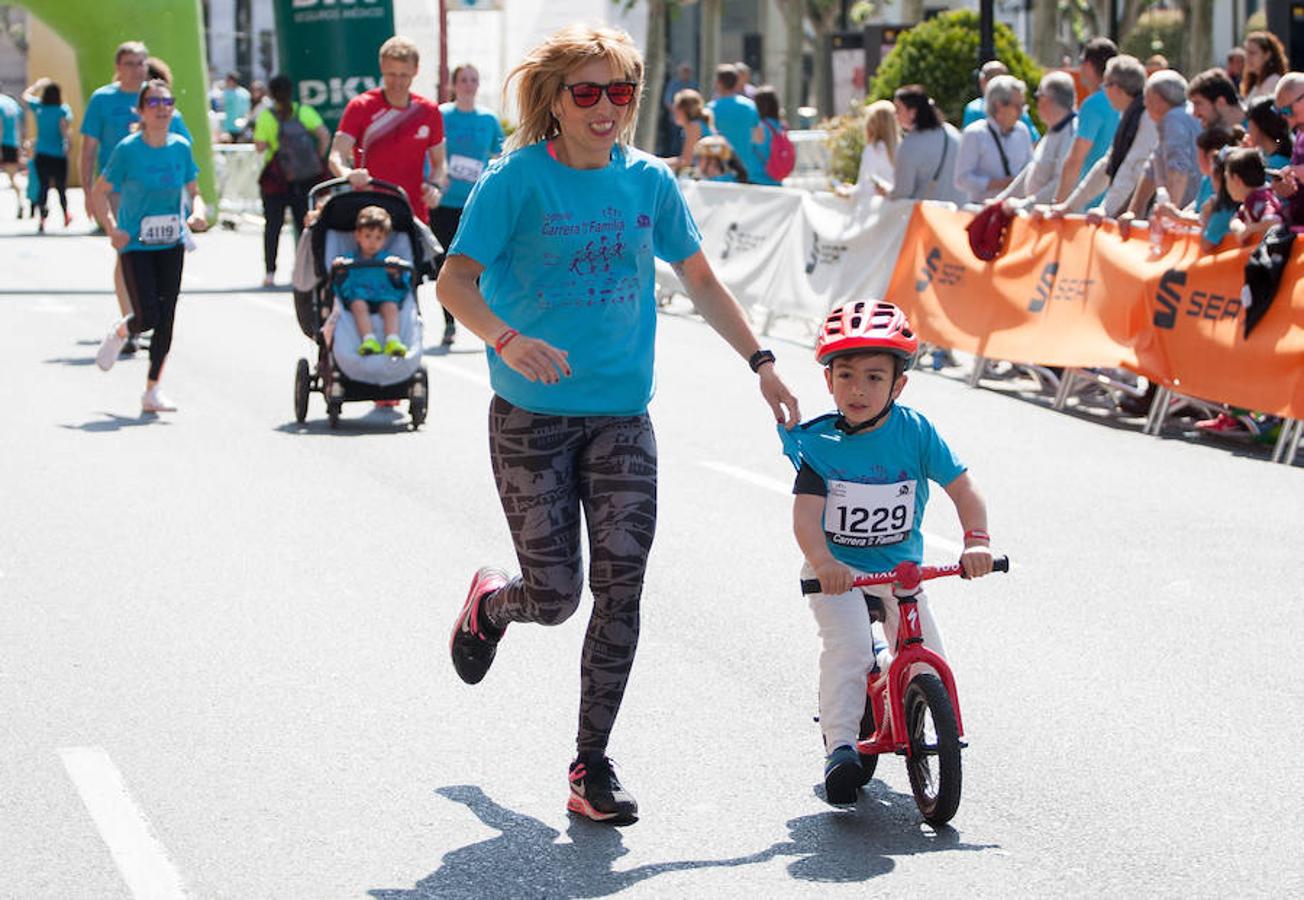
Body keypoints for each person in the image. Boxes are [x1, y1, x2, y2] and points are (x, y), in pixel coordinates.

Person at [437, 23, 800, 825]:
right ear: (556, 101)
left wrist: (763, 361)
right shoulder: (515, 181)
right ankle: (493, 605)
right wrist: (507, 338)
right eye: (587, 92)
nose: (606, 109)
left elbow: (701, 280)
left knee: (622, 589)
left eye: (621, 92)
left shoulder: (648, 182)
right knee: (556, 596)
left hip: (622, 420)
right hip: (531, 419)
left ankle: (589, 764)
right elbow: (454, 281)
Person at [779, 299, 993, 806]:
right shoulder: (821, 443)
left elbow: (964, 489)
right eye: (846, 375)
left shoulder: (915, 433)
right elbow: (806, 516)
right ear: (828, 381)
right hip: (838, 572)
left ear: (899, 385)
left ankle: (921, 715)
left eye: (874, 378)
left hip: (900, 571)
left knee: (928, 659)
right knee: (849, 648)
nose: (858, 389)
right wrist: (825, 562)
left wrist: (976, 542)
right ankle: (843, 747)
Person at [91, 79, 207, 412]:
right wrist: (112, 229)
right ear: (140, 111)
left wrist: (197, 215)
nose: (162, 109)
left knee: (166, 317)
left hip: (170, 240)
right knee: (148, 315)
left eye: (167, 102)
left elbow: (194, 192)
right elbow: (100, 192)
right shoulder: (128, 149)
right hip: (135, 243)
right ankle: (124, 329)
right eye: (153, 103)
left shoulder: (180, 147)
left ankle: (152, 390)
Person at [81, 40, 193, 355]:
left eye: (142, 62)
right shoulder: (103, 99)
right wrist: (90, 192)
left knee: (157, 257)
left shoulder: (159, 99)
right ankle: (131, 320)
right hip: (120, 188)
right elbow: (89, 147)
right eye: (130, 63)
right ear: (118, 67)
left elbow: (183, 146)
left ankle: (146, 314)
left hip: (157, 191)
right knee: (127, 251)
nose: (137, 69)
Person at [330, 36, 446, 227]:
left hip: (412, 213)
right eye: (391, 74)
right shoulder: (360, 106)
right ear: (382, 68)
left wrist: (435, 186)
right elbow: (336, 155)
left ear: (415, 71)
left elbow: (440, 162)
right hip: (369, 215)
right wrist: (348, 174)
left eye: (404, 75)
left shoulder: (429, 111)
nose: (398, 82)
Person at [432, 63, 504, 345]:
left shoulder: (488, 119)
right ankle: (449, 323)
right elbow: (430, 153)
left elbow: (501, 155)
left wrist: (492, 177)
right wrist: (436, 177)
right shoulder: (441, 115)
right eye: (463, 80)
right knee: (447, 265)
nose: (469, 85)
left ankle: (481, 322)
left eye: (473, 79)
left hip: (476, 203)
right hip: (445, 202)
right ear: (453, 85)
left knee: (476, 266)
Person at [1042, 55, 1156, 219]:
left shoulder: (1146, 117)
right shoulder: (1129, 115)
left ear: (1116, 87)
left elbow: (1132, 169)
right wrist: (1068, 206)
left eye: (1106, 85)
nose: (1104, 90)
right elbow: (1106, 166)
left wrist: (1105, 209)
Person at [254, 74, 329, 288]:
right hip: (305, 179)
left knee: (273, 227)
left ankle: (270, 272)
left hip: (276, 181)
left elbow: (260, 146)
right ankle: (307, 269)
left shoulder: (267, 117)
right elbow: (324, 135)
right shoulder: (304, 112)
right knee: (305, 225)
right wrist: (316, 159)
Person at [1119, 70, 1202, 229]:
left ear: (1157, 99)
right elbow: (1151, 168)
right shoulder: (1180, 116)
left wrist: (1169, 219)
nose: (1144, 104)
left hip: (1186, 220)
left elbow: (1178, 169)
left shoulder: (1174, 119)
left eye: (1147, 98)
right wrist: (1134, 212)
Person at [334, 204, 411, 357]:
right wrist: (340, 270)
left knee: (391, 306)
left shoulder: (388, 260)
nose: (372, 242)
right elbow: (340, 285)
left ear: (385, 240)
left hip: (383, 295)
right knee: (358, 305)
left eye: (378, 238)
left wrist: (394, 274)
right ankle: (369, 339)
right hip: (360, 295)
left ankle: (392, 340)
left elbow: (401, 285)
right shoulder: (350, 259)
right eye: (367, 236)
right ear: (358, 236)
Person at [994, 71, 1077, 206]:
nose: (1036, 103)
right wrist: (1000, 200)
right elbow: (1031, 170)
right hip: (1038, 216)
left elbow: (1061, 181)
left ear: (1047, 99)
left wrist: (1027, 204)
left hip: (1053, 219)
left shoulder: (1070, 132)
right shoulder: (1054, 130)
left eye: (1038, 96)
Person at [1054, 37, 1119, 204]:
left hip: (1094, 204)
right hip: (1121, 200)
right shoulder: (1125, 99)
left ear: (1089, 65)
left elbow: (1076, 157)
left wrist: (1059, 203)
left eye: (1081, 61)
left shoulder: (1093, 105)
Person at [955, 74, 1033, 204]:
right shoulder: (975, 133)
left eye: (1022, 106)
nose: (1021, 112)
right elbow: (961, 179)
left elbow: (1030, 169)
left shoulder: (1022, 131)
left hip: (1015, 210)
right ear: (999, 105)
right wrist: (997, 184)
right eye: (1017, 106)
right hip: (982, 209)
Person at [884, 84, 962, 202]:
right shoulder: (952, 132)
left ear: (912, 112)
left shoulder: (910, 144)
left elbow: (902, 192)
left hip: (929, 215)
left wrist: (886, 192)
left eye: (898, 109)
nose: (896, 115)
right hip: (960, 212)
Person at [21, 78, 72, 232]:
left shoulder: (39, 107)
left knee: (43, 187)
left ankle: (42, 218)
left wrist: (37, 85)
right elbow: (64, 129)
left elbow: (25, 96)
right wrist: (68, 145)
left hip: (41, 154)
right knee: (61, 187)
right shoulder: (62, 109)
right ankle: (65, 215)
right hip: (58, 155)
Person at [706, 64, 766, 189]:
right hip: (746, 171)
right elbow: (759, 138)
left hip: (718, 173)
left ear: (718, 83)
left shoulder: (710, 109)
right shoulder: (750, 106)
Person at [961, 60, 1040, 141]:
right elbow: (1033, 142)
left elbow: (967, 141)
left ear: (982, 81)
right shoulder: (1018, 109)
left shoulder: (973, 108)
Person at [837, 99, 899, 200]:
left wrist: (847, 192)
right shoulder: (901, 147)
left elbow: (866, 186)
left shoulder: (873, 150)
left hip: (876, 209)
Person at [1224, 147, 1282, 245]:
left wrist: (1248, 229)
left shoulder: (1259, 200)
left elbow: (1275, 221)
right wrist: (1239, 227)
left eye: (1227, 179)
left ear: (1236, 179)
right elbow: (1235, 219)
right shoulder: (1252, 200)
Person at [659, 88, 712, 172]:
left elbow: (686, 161)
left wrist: (657, 161)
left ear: (684, 109)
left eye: (676, 106)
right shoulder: (693, 125)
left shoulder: (694, 126)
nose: (674, 110)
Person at [749, 84, 786, 186]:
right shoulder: (781, 126)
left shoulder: (759, 127)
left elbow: (754, 153)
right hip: (776, 179)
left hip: (759, 180)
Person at [1244, 97, 1292, 169]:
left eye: (1249, 124)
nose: (1247, 130)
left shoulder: (1277, 163)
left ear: (1258, 126)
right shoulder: (1265, 154)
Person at [1243, 32, 1288, 104]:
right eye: (1246, 53)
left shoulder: (1273, 80)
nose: (1247, 58)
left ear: (1267, 55)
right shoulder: (1255, 81)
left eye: (1252, 53)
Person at [0, 90, 21, 213]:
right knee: (13, 178)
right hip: (13, 143)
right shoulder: (11, 102)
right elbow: (20, 123)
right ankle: (20, 203)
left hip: (2, 144)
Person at [220, 72, 251, 141]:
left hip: (240, 127)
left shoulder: (226, 93)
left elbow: (247, 111)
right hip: (229, 127)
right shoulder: (245, 93)